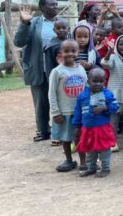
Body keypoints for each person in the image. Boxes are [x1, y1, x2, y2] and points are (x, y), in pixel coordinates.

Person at [14, 0, 59, 142]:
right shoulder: (33, 23)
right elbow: (18, 42)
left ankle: (61, 131)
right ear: (42, 8)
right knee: (41, 102)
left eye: (56, 4)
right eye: (52, 5)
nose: (55, 7)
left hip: (58, 69)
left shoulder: (61, 23)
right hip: (39, 69)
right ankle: (43, 130)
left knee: (61, 100)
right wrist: (24, 24)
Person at [48, 39, 87, 172]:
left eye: (73, 51)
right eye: (66, 51)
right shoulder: (57, 71)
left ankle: (83, 161)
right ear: (61, 53)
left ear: (78, 52)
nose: (70, 54)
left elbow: (86, 88)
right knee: (66, 138)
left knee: (80, 137)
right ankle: (69, 160)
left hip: (80, 111)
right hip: (64, 112)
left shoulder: (81, 69)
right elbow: (51, 93)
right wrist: (55, 112)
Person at [73, 68, 118, 178]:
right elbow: (78, 112)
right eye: (95, 81)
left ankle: (105, 168)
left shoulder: (107, 94)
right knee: (90, 149)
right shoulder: (82, 96)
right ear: (88, 81)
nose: (98, 84)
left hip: (102, 128)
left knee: (104, 149)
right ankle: (91, 168)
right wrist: (76, 126)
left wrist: (105, 108)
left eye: (101, 81)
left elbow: (116, 106)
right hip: (87, 128)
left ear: (105, 81)